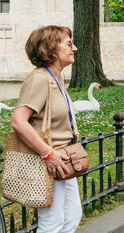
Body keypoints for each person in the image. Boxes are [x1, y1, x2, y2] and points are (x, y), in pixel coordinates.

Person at [10, 26, 83, 233]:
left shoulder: (57, 78)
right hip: (50, 162)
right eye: (68, 44)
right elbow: (18, 121)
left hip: (64, 159)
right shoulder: (40, 79)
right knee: (52, 223)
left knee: (71, 217)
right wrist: (47, 154)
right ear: (51, 49)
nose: (74, 48)